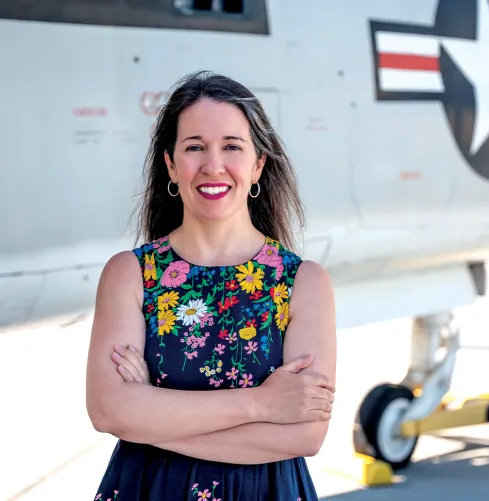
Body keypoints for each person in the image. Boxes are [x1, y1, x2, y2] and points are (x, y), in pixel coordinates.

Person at [85, 70, 337, 501]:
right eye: (195, 147)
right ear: (170, 163)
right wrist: (261, 405)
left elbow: (305, 435)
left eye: (232, 147)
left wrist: (149, 416)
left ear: (258, 164)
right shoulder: (130, 275)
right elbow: (108, 410)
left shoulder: (302, 282)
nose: (213, 165)